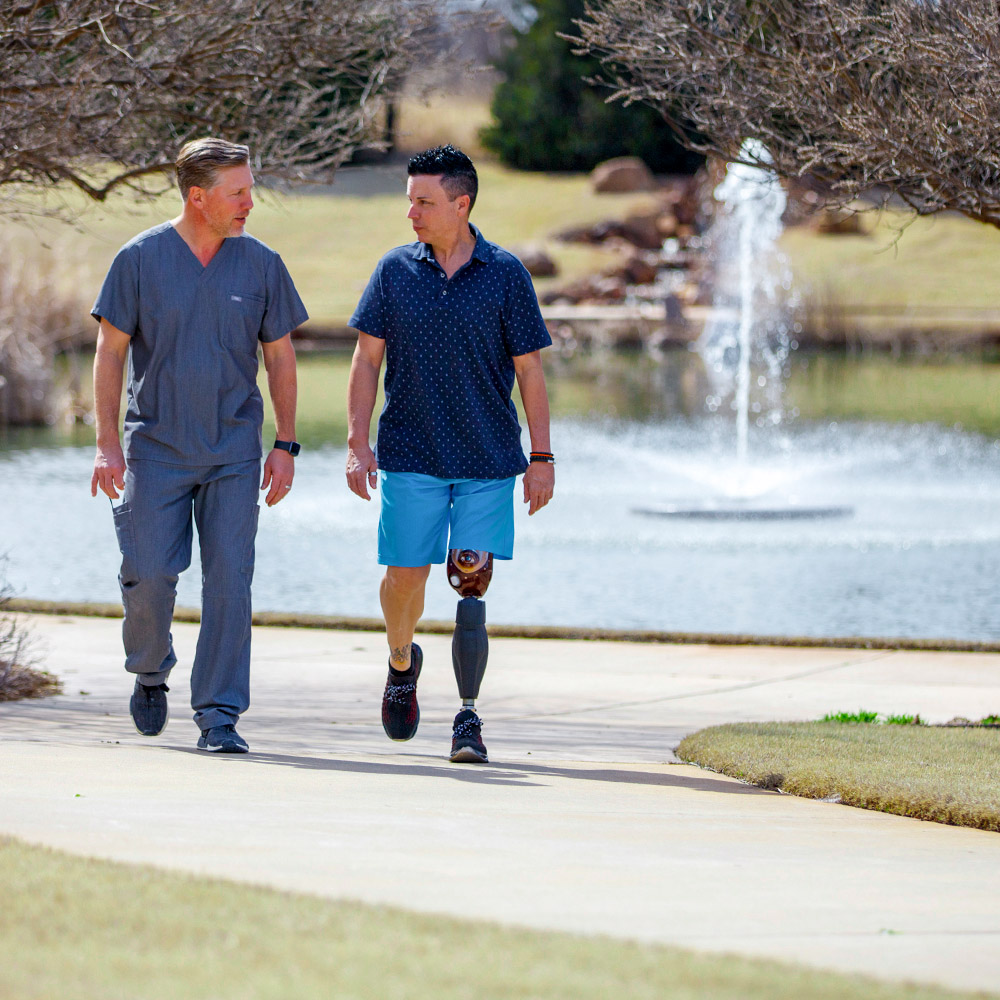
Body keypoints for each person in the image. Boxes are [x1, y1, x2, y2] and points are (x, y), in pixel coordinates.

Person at [90, 137, 307, 753]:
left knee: (230, 581)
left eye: (250, 189)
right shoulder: (139, 260)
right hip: (153, 448)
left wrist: (286, 444)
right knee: (150, 573)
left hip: (234, 452)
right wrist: (107, 444)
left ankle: (218, 715)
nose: (250, 203)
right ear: (198, 197)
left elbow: (281, 356)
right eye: (238, 193)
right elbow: (110, 352)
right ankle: (151, 670)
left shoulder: (261, 263)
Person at [345, 144, 555, 764]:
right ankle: (402, 661)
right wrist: (358, 445)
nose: (411, 212)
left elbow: (531, 372)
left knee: (470, 579)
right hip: (409, 454)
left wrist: (541, 457)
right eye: (409, 200)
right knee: (404, 579)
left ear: (461, 204)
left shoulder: (506, 274)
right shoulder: (393, 271)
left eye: (425, 201)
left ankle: (467, 718)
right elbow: (365, 360)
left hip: (487, 459)